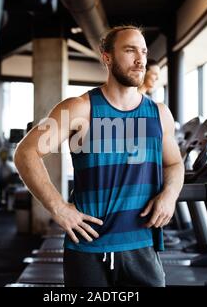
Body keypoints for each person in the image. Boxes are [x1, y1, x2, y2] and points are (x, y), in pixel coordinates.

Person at [14, 25, 184, 287]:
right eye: (130, 51)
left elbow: (173, 164)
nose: (140, 60)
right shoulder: (79, 109)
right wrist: (57, 208)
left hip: (142, 247)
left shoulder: (160, 114)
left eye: (144, 52)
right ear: (107, 57)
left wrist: (170, 195)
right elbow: (26, 152)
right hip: (88, 248)